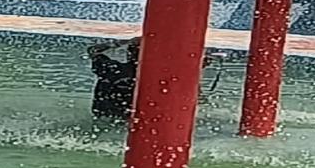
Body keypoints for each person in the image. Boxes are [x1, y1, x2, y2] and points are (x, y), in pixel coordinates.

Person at [88, 38, 221, 122]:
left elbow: (93, 50)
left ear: (129, 54)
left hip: (104, 115)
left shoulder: (111, 68)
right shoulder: (162, 77)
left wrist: (122, 42)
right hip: (142, 120)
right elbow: (199, 101)